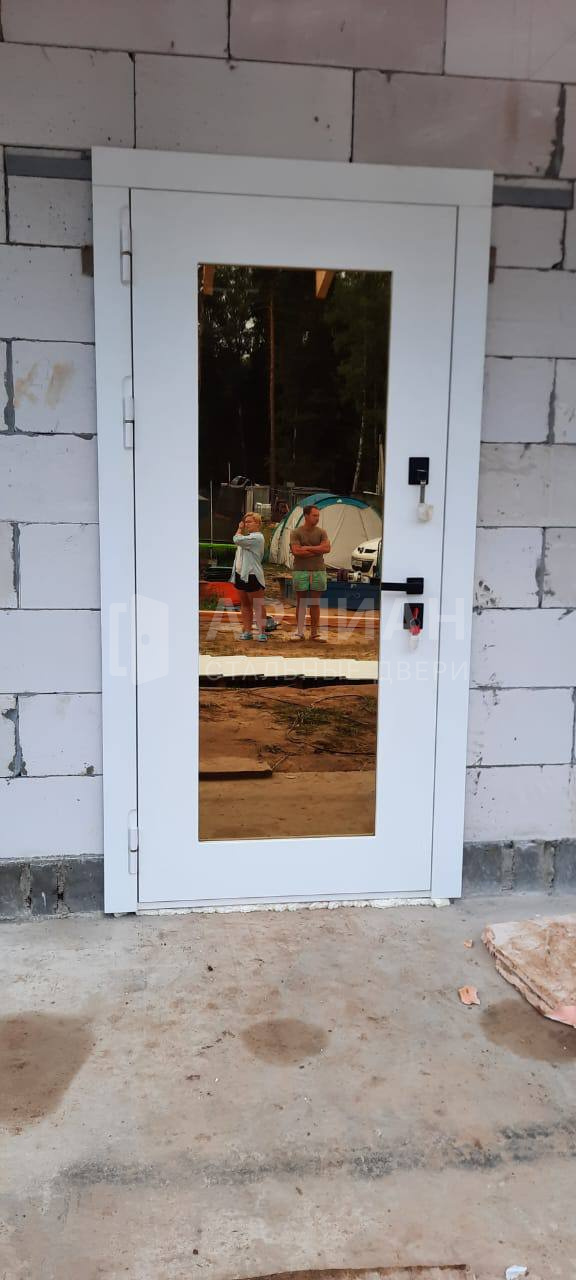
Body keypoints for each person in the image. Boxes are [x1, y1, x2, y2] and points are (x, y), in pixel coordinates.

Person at [289, 505, 331, 641]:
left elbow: (327, 548)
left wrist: (306, 548)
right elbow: (296, 551)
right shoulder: (296, 532)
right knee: (301, 602)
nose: (317, 518)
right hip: (300, 570)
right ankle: (300, 631)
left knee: (315, 603)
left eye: (318, 516)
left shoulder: (322, 532)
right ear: (306, 516)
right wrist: (317, 551)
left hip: (318, 570)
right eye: (314, 515)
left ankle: (314, 632)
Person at [231, 511, 269, 642]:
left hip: (252, 575)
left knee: (258, 604)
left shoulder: (257, 538)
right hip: (240, 574)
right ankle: (247, 631)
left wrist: (239, 529)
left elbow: (236, 539)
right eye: (245, 522)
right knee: (245, 604)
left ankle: (262, 632)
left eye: (249, 522)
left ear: (257, 523)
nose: (246, 524)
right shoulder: (247, 538)